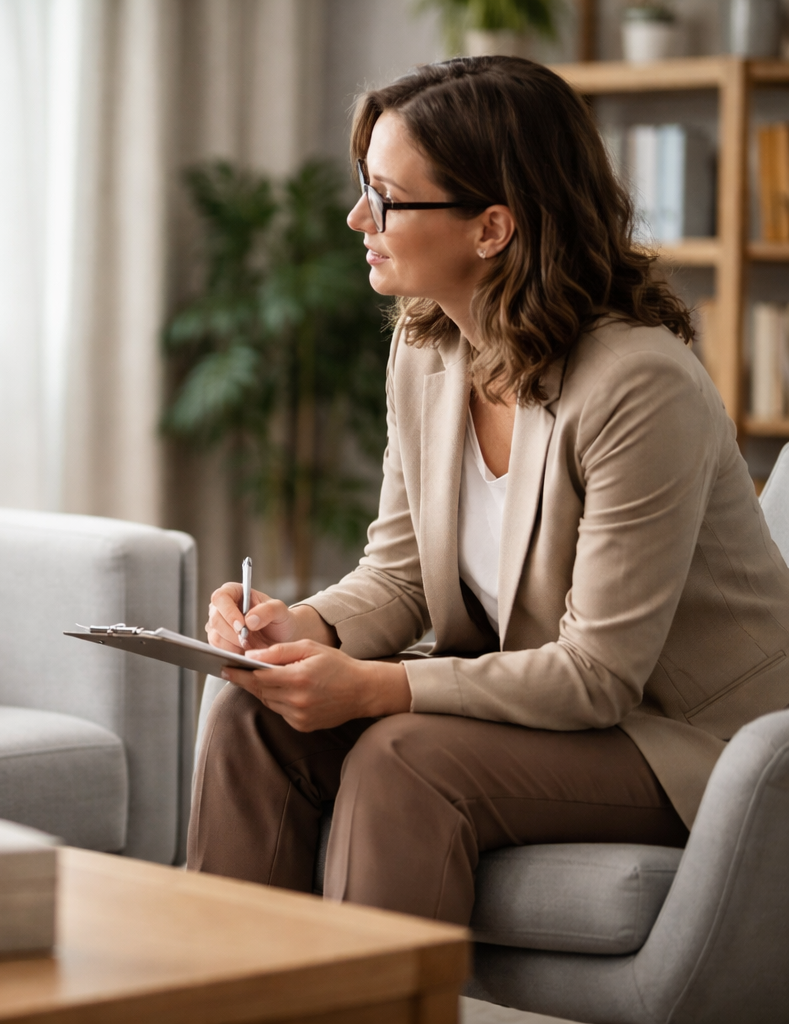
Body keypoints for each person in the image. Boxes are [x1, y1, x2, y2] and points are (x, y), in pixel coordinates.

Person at [187, 56, 789, 925]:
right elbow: (397, 576)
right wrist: (303, 627)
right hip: (547, 701)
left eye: (387, 197)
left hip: (682, 737)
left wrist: (376, 688)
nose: (359, 217)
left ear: (492, 229)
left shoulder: (638, 385)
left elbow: (596, 677)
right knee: (255, 721)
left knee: (405, 757)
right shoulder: (425, 353)